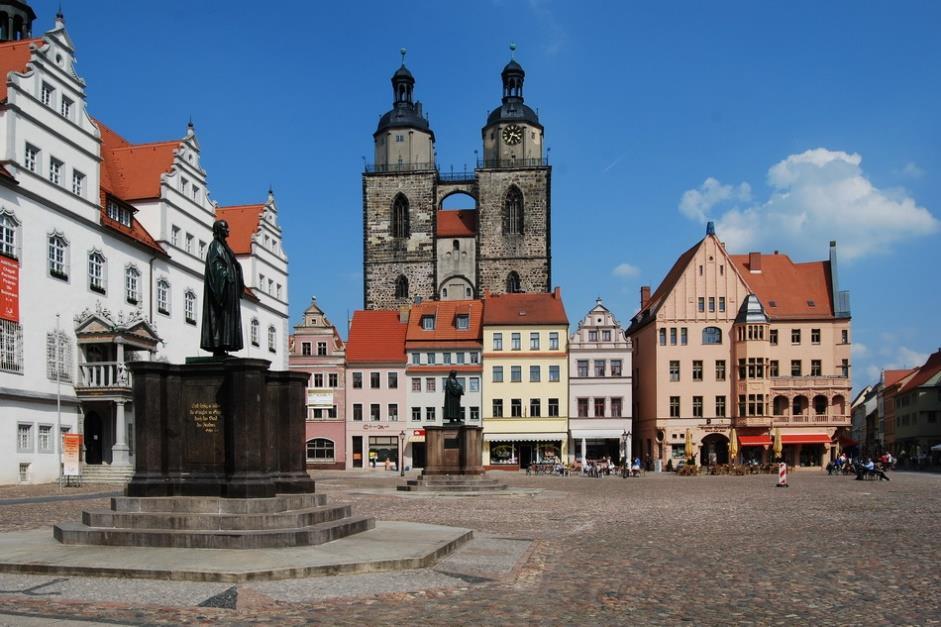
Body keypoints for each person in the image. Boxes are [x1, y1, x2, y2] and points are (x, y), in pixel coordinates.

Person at [200, 219, 244, 356]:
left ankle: (224, 345)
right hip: (222, 291)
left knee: (227, 319)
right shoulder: (215, 246)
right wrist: (226, 276)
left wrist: (236, 271)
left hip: (229, 291)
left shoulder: (224, 247)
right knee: (220, 319)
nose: (228, 230)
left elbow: (230, 264)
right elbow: (215, 267)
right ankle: (218, 346)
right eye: (225, 228)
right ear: (219, 230)